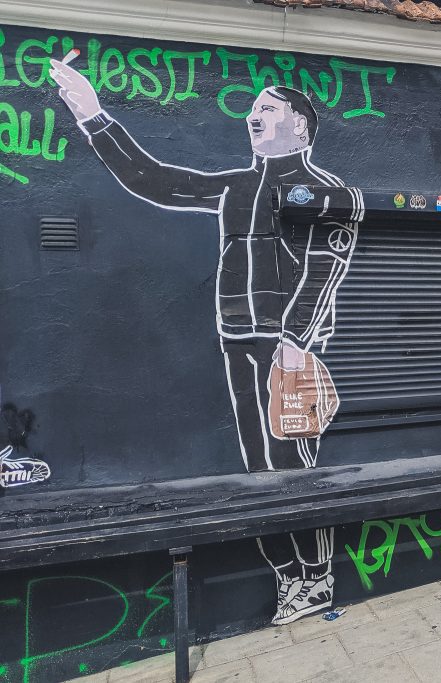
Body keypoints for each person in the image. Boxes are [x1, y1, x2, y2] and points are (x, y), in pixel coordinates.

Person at [48, 59, 363, 624]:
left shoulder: (326, 191)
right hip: (236, 340)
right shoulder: (237, 186)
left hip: (287, 349)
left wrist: (294, 338)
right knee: (257, 463)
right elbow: (157, 180)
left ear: (301, 126)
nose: (252, 116)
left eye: (266, 108)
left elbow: (324, 271)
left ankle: (318, 576)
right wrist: (93, 115)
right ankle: (288, 576)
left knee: (292, 457)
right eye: (251, 109)